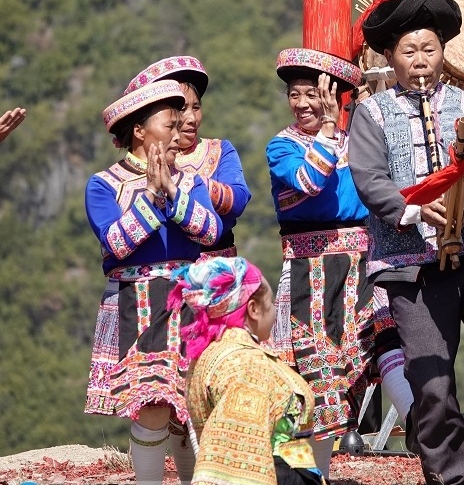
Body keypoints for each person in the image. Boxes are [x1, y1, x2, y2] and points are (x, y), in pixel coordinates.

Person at [350, 0, 464, 485]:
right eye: (410, 51)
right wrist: (411, 209)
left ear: (442, 51)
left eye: (429, 49)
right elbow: (369, 177)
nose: (421, 61)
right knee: (430, 378)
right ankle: (450, 476)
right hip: (411, 260)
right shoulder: (373, 114)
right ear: (390, 57)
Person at [265, 47, 412, 478]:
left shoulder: (359, 144)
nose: (304, 103)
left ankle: (419, 422)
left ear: (338, 98)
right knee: (309, 380)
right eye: (296, 94)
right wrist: (329, 129)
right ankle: (307, 476)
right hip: (309, 271)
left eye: (315, 93)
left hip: (362, 263)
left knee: (385, 343)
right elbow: (308, 181)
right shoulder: (282, 146)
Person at [85, 76, 222, 485]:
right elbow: (115, 243)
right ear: (140, 130)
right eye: (170, 121)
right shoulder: (104, 184)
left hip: (190, 301)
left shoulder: (190, 181)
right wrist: (152, 198)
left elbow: (212, 232)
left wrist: (173, 197)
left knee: (193, 407)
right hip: (138, 303)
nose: (180, 127)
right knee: (154, 406)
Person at [170, 256, 324, 485]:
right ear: (253, 309)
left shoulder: (214, 355)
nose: (273, 313)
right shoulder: (246, 367)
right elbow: (240, 460)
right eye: (270, 304)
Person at [126, 56, 251, 260]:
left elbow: (238, 200)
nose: (192, 119)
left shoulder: (220, 150)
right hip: (165, 274)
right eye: (182, 109)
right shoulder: (141, 163)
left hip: (219, 269)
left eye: (196, 107)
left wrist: (185, 182)